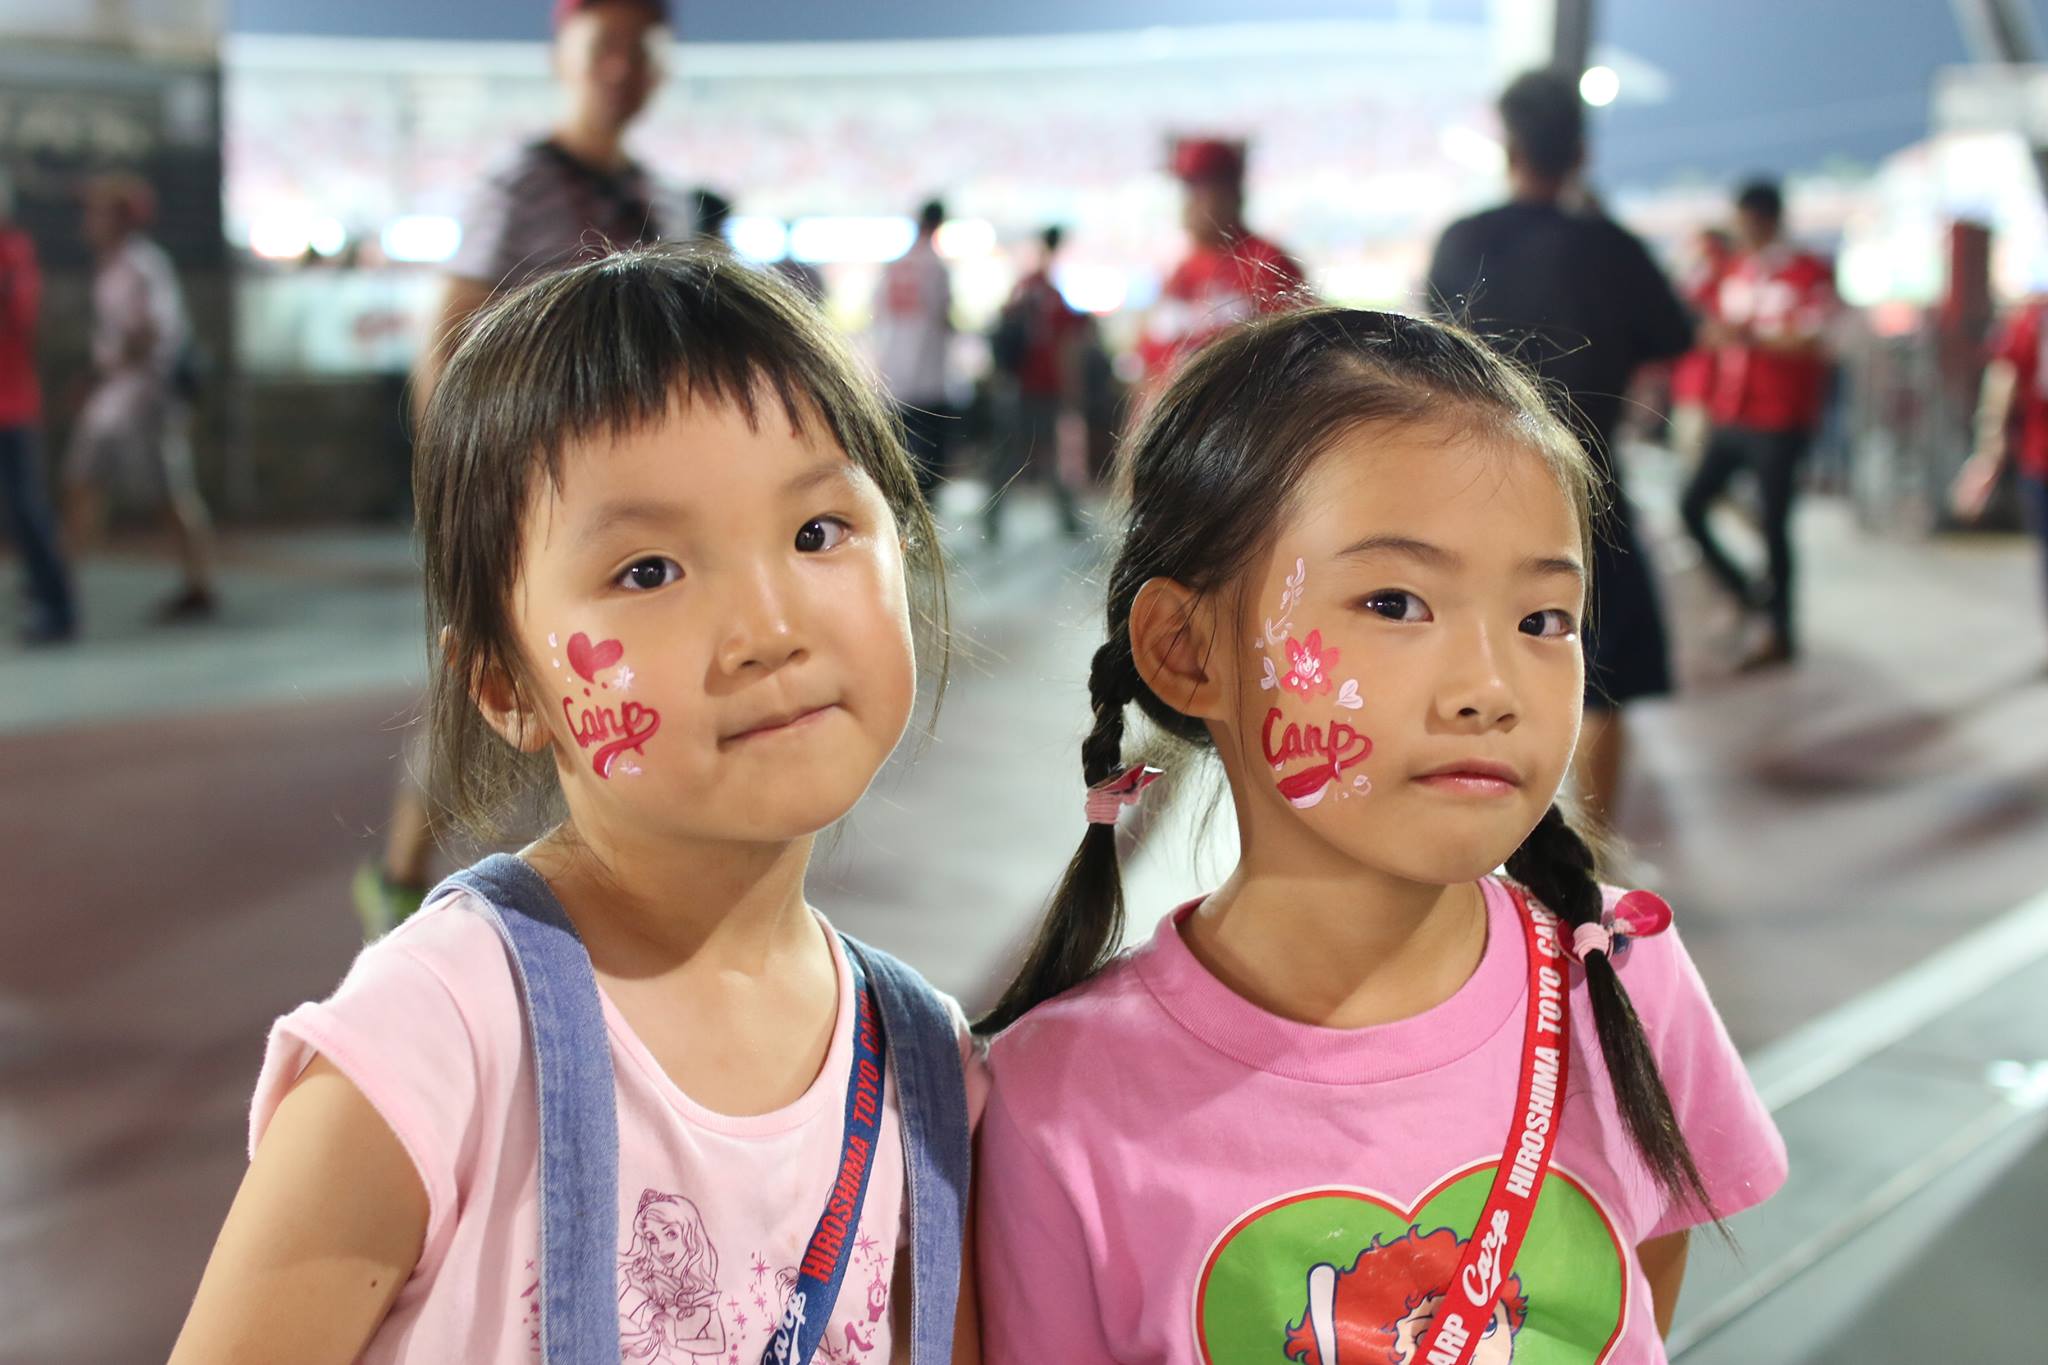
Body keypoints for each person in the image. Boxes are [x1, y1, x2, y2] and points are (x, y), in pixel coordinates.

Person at [168, 247, 982, 1364]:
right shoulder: (438, 1042)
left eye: (816, 533)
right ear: (507, 686)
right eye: (649, 571)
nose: (769, 628)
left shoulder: (929, 1074)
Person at [973, 308, 1786, 1363]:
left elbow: (1639, 1278)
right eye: (1396, 602)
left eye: (1542, 620)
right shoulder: (1055, 1098)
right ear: (1187, 649)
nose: (1490, 687)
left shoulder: (1623, 975)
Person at [357, 0, 678, 935]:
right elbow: (447, 338)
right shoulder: (519, 184)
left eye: (641, 47)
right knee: (497, 688)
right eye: (605, 44)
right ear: (565, 56)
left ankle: (605, 895)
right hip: (530, 492)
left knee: (623, 683)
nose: (622, 65)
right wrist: (456, 491)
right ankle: (402, 877)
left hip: (634, 500)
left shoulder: (661, 197)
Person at [1426, 70, 1695, 827]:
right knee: (1599, 670)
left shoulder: (1465, 240)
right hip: (1589, 487)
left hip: (1474, 486)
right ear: (1580, 153)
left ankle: (1493, 834)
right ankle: (1590, 850)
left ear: (1508, 148)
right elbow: (1675, 334)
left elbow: (1429, 352)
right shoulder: (1611, 246)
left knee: (1474, 663)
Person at [1680, 179, 1837, 671]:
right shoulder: (1735, 269)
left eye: (1748, 222)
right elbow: (1704, 323)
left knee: (1774, 525)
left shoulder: (1807, 271)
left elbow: (1815, 341)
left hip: (1780, 418)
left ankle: (1780, 631)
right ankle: (1749, 593)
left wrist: (1749, 337)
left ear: (1768, 220)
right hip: (1731, 414)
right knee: (1691, 506)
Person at [61, 172, 216, 622]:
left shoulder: (143, 265)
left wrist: (108, 367)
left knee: (170, 492)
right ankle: (63, 581)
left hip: (146, 394)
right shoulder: (110, 266)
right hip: (116, 396)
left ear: (122, 219)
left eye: (98, 212)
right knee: (82, 481)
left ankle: (199, 584)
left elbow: (153, 332)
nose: (88, 221)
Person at [1135, 137, 1307, 393]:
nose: (1188, 204)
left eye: (1199, 190)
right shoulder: (1179, 269)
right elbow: (1149, 362)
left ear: (1232, 193)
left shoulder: (1266, 261)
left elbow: (1298, 360)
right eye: (1186, 191)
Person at [0, 167, 76, 645]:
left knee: (27, 508)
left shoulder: (15, 257)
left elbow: (24, 321)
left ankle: (56, 604)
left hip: (12, 407)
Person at [1954, 292, 2048, 657]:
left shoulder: (2033, 317)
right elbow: (2003, 382)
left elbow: (2001, 385)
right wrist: (1988, 456)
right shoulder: (2033, 319)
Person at [985, 225, 1088, 541]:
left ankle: (992, 518)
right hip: (1044, 386)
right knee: (1049, 453)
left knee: (1011, 454)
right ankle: (1067, 519)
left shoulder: (1023, 290)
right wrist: (1072, 388)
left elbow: (1001, 330)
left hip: (1018, 386)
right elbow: (1066, 348)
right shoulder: (1053, 297)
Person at [870, 199, 956, 500]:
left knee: (898, 457)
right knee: (928, 462)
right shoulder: (936, 266)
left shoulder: (894, 264)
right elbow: (944, 316)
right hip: (927, 375)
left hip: (892, 373)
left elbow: (876, 314)